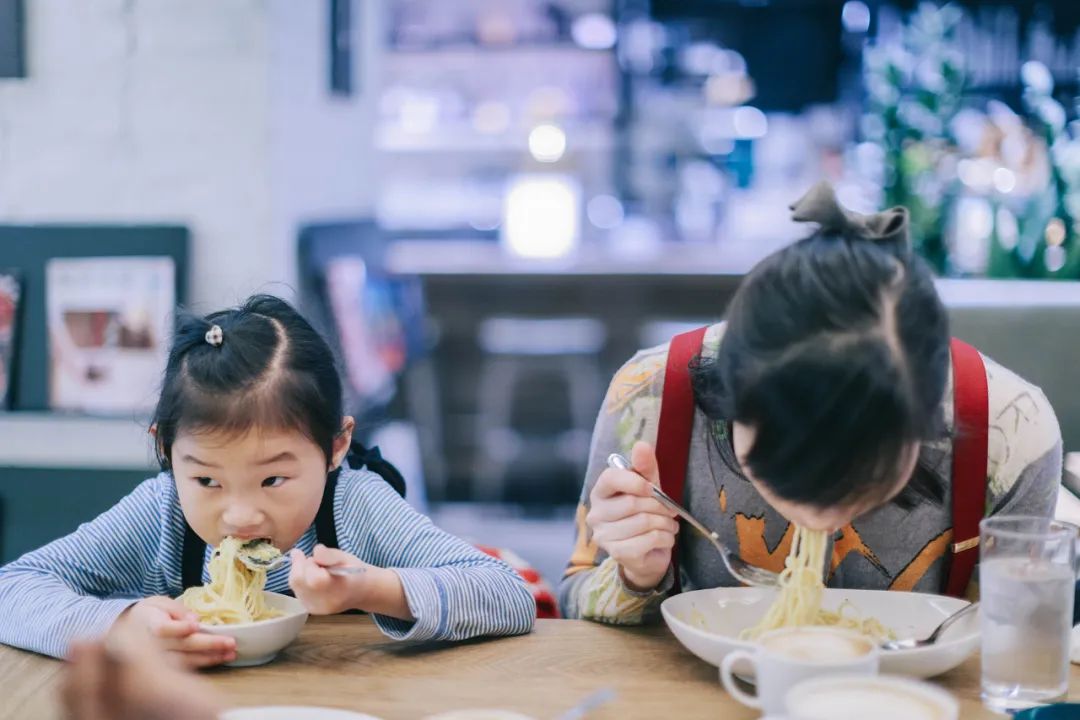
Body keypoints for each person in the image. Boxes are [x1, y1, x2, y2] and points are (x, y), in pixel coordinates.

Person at [560, 182, 1062, 623]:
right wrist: (636, 575)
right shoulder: (651, 395)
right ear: (730, 396)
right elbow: (574, 599)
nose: (819, 521)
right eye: (784, 471)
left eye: (858, 482)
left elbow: (1007, 640)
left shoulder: (1013, 434)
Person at [0, 295, 535, 666]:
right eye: (207, 480)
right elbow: (11, 590)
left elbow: (508, 596)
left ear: (335, 446)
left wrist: (374, 588)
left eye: (273, 479)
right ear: (165, 448)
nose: (240, 515)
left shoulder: (352, 507)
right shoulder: (160, 513)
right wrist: (122, 625)